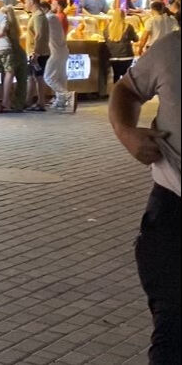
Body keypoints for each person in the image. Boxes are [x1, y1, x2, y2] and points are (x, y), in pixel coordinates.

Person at [108, 31, 179, 364]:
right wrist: (127, 133)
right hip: (173, 208)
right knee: (172, 330)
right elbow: (127, 90)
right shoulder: (172, 48)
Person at [44, 0, 73, 111]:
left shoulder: (53, 18)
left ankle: (67, 95)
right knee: (61, 77)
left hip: (55, 51)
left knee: (49, 77)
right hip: (62, 49)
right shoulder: (59, 16)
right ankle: (61, 101)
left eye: (54, 3)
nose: (52, 5)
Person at [24, 0, 50, 111]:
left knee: (38, 77)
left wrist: (35, 52)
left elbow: (38, 34)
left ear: (32, 2)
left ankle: (40, 102)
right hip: (38, 51)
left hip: (38, 53)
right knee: (34, 77)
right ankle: (33, 101)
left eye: (26, 2)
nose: (25, 4)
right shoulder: (37, 15)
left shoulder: (38, 16)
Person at [106, 8, 140, 84]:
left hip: (113, 56)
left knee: (116, 76)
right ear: (123, 16)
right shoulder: (128, 27)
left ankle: (115, 92)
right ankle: (124, 93)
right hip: (127, 56)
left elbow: (106, 40)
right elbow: (136, 39)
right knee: (126, 76)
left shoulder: (107, 28)